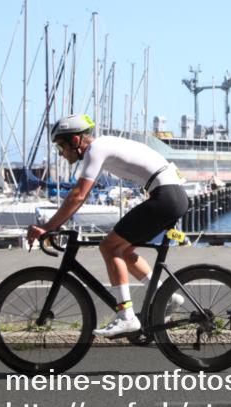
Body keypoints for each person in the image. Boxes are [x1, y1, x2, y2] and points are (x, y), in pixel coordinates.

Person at [26, 114, 188, 338]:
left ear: (75, 140)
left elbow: (78, 195)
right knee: (122, 249)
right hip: (170, 195)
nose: (61, 153)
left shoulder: (95, 149)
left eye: (61, 146)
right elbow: (80, 195)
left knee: (109, 247)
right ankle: (166, 295)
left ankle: (126, 317)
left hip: (166, 196)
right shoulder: (103, 146)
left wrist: (47, 227)